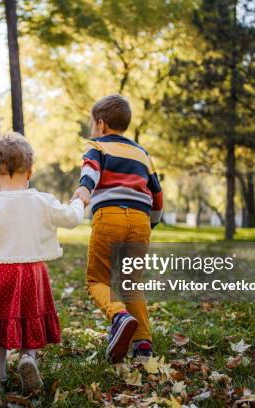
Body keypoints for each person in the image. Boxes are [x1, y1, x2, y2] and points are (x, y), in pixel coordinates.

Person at [0, 132, 85, 394]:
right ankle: (28, 357)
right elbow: (72, 219)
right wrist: (79, 202)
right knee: (30, 318)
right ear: (29, 172)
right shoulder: (43, 201)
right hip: (33, 272)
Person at [72, 94, 164, 363]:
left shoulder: (97, 145)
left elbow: (91, 171)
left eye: (92, 124)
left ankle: (119, 315)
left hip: (109, 217)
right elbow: (157, 197)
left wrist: (84, 190)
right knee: (132, 283)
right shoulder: (142, 154)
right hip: (139, 221)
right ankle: (143, 346)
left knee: (96, 280)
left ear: (101, 124)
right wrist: (150, 224)